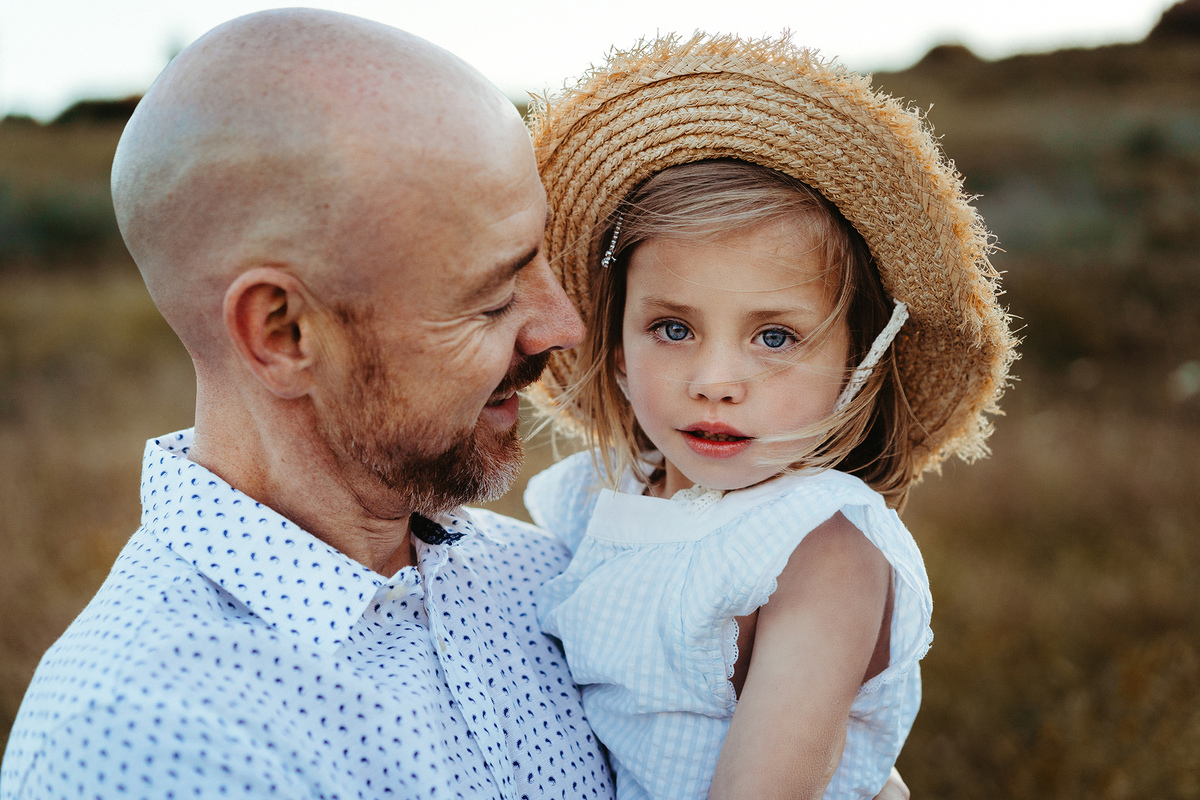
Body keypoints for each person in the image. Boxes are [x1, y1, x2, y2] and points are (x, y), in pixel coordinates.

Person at [0, 9, 612, 799]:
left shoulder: (550, 579)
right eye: (492, 299)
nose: (562, 326)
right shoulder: (143, 741)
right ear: (284, 334)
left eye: (541, 258)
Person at [522, 35, 1016, 800]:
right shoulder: (598, 493)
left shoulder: (818, 548)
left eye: (775, 337)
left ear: (856, 362)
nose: (716, 383)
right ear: (617, 350)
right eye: (674, 328)